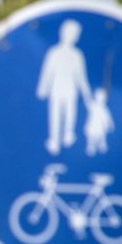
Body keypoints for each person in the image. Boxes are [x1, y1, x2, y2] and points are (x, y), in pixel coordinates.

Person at [36, 19, 92, 156]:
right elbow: (47, 71)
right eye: (70, 33)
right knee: (55, 115)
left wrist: (87, 95)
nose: (72, 36)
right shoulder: (54, 52)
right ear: (62, 33)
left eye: (75, 34)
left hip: (71, 91)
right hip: (56, 90)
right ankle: (54, 140)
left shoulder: (77, 55)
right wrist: (42, 88)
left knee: (70, 114)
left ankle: (68, 135)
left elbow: (81, 77)